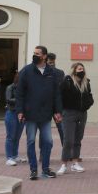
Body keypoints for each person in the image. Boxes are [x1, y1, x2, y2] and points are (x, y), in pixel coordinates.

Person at [17, 46, 63, 180]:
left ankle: (46, 168)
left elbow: (56, 94)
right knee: (31, 141)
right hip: (30, 114)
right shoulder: (26, 71)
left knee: (48, 141)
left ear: (44, 56)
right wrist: (20, 111)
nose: (34, 55)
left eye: (37, 54)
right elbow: (20, 93)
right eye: (34, 53)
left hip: (46, 115)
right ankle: (33, 170)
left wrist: (57, 111)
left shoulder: (51, 72)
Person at [57, 62, 93, 175]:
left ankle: (75, 163)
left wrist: (89, 103)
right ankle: (63, 164)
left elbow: (89, 95)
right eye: (79, 69)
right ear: (73, 70)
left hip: (82, 113)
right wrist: (58, 111)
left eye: (82, 69)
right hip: (69, 113)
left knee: (78, 138)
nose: (81, 71)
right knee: (68, 139)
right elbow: (59, 96)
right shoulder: (67, 82)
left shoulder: (86, 82)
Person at [4, 71, 26, 166]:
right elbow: (9, 100)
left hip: (22, 114)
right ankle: (9, 157)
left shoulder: (26, 89)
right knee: (10, 136)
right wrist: (21, 100)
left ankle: (15, 155)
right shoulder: (10, 87)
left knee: (17, 136)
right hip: (12, 113)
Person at [46, 52, 66, 147]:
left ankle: (66, 152)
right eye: (50, 63)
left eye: (52, 62)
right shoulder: (59, 72)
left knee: (61, 129)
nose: (52, 64)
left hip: (57, 106)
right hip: (49, 106)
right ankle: (44, 153)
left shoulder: (60, 73)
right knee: (46, 130)